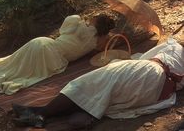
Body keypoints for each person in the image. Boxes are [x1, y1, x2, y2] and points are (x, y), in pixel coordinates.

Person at [12, 34, 184, 128]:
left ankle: (42, 112)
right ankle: (82, 113)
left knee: (92, 81)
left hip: (148, 71)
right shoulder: (174, 49)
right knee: (108, 92)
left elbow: (144, 58)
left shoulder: (173, 46)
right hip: (159, 92)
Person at [0, 14, 115, 95]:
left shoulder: (83, 28)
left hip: (48, 48)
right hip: (55, 58)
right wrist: (107, 36)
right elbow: (105, 45)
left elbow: (64, 28)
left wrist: (79, 18)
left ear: (96, 22)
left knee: (9, 62)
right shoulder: (96, 41)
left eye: (93, 18)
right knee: (15, 67)